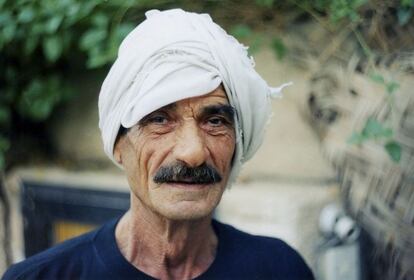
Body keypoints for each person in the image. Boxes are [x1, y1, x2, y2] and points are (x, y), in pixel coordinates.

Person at [3, 9, 314, 280]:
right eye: (160, 120)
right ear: (118, 145)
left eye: (215, 121)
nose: (192, 153)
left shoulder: (281, 269)